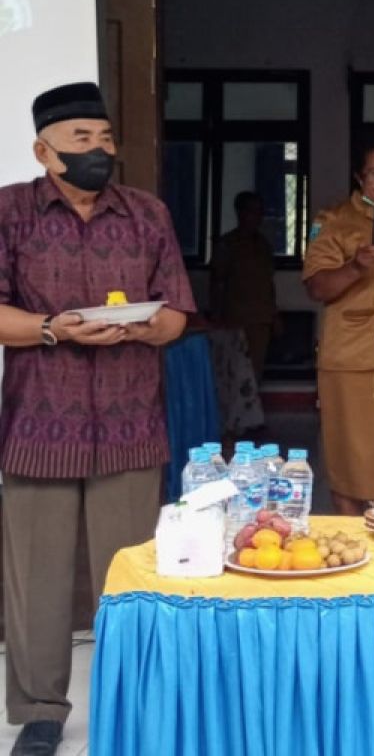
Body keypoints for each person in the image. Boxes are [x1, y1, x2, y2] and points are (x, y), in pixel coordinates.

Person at [0, 82, 194, 756]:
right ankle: (40, 712)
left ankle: (134, 700)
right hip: (37, 424)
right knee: (37, 577)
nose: (98, 151)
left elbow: (175, 313)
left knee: (130, 573)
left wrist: (145, 329)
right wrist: (55, 328)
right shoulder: (11, 211)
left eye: (106, 139)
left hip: (130, 422)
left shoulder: (146, 213)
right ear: (44, 149)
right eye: (82, 139)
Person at [303, 137, 374, 515]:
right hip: (350, 359)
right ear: (359, 176)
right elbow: (317, 287)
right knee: (350, 463)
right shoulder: (333, 221)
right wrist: (355, 267)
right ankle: (355, 542)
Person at [209, 190, 278, 383]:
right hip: (235, 319)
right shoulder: (227, 244)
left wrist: (274, 314)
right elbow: (217, 281)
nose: (257, 217)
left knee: (255, 372)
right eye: (252, 211)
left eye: (260, 212)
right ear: (240, 213)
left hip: (260, 320)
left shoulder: (263, 245)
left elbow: (268, 282)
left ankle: (251, 414)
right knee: (232, 371)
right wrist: (216, 316)